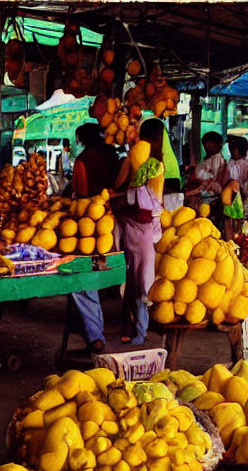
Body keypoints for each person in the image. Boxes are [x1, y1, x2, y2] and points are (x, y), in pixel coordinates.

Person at [113, 118, 168, 345]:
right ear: (159, 138)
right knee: (141, 281)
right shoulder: (156, 162)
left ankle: (138, 329)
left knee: (135, 281)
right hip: (143, 228)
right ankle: (139, 328)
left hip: (135, 227)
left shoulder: (139, 157)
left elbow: (119, 185)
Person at [69, 123, 119, 354]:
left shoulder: (82, 160)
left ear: (81, 138)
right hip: (115, 218)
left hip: (92, 223)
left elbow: (81, 193)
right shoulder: (112, 154)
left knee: (83, 280)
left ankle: (95, 338)